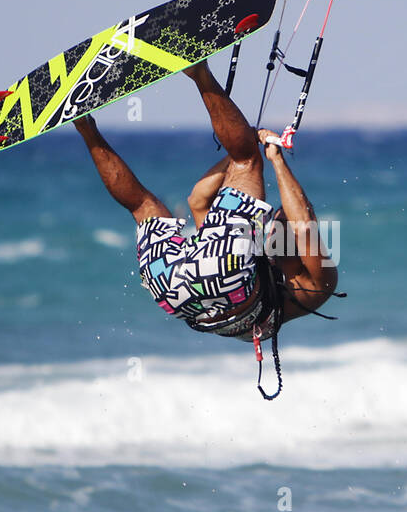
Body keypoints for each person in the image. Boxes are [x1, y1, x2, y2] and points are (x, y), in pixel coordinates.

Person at [72, 60, 340, 396]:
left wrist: (267, 157)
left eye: (276, 225)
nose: (272, 224)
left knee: (245, 161)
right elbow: (198, 200)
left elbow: (304, 222)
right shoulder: (244, 258)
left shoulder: (318, 284)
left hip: (225, 289)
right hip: (174, 291)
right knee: (142, 207)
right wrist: (247, 144)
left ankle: (198, 71)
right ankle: (83, 123)